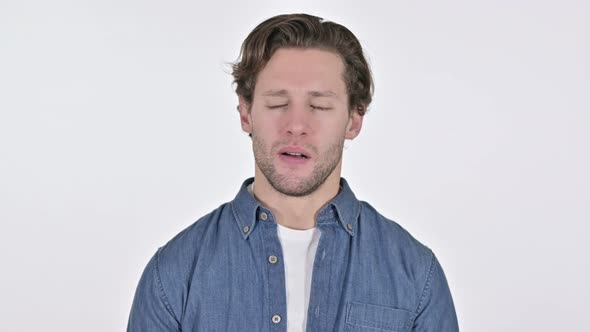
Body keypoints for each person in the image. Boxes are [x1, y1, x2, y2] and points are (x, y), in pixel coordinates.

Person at [127, 13, 459, 332]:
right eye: (277, 103)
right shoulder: (172, 274)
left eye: (319, 106)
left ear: (354, 120)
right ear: (246, 114)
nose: (296, 125)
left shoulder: (416, 274)